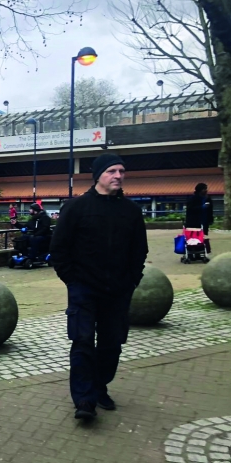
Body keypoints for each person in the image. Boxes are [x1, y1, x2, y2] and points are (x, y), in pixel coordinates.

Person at [49, 153, 148, 421]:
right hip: (83, 290)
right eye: (112, 171)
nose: (118, 175)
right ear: (98, 176)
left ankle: (100, 386)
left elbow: (139, 251)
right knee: (82, 342)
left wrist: (131, 282)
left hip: (117, 291)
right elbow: (59, 249)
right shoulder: (76, 208)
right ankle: (84, 400)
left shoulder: (131, 211)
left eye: (121, 171)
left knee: (111, 345)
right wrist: (72, 280)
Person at [185, 182, 214, 253]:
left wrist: (210, 219)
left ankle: (203, 250)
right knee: (195, 237)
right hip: (194, 221)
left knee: (204, 236)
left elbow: (210, 210)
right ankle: (193, 251)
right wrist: (202, 207)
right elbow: (190, 209)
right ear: (200, 190)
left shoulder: (208, 198)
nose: (206, 190)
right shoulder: (193, 198)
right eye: (204, 189)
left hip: (205, 220)